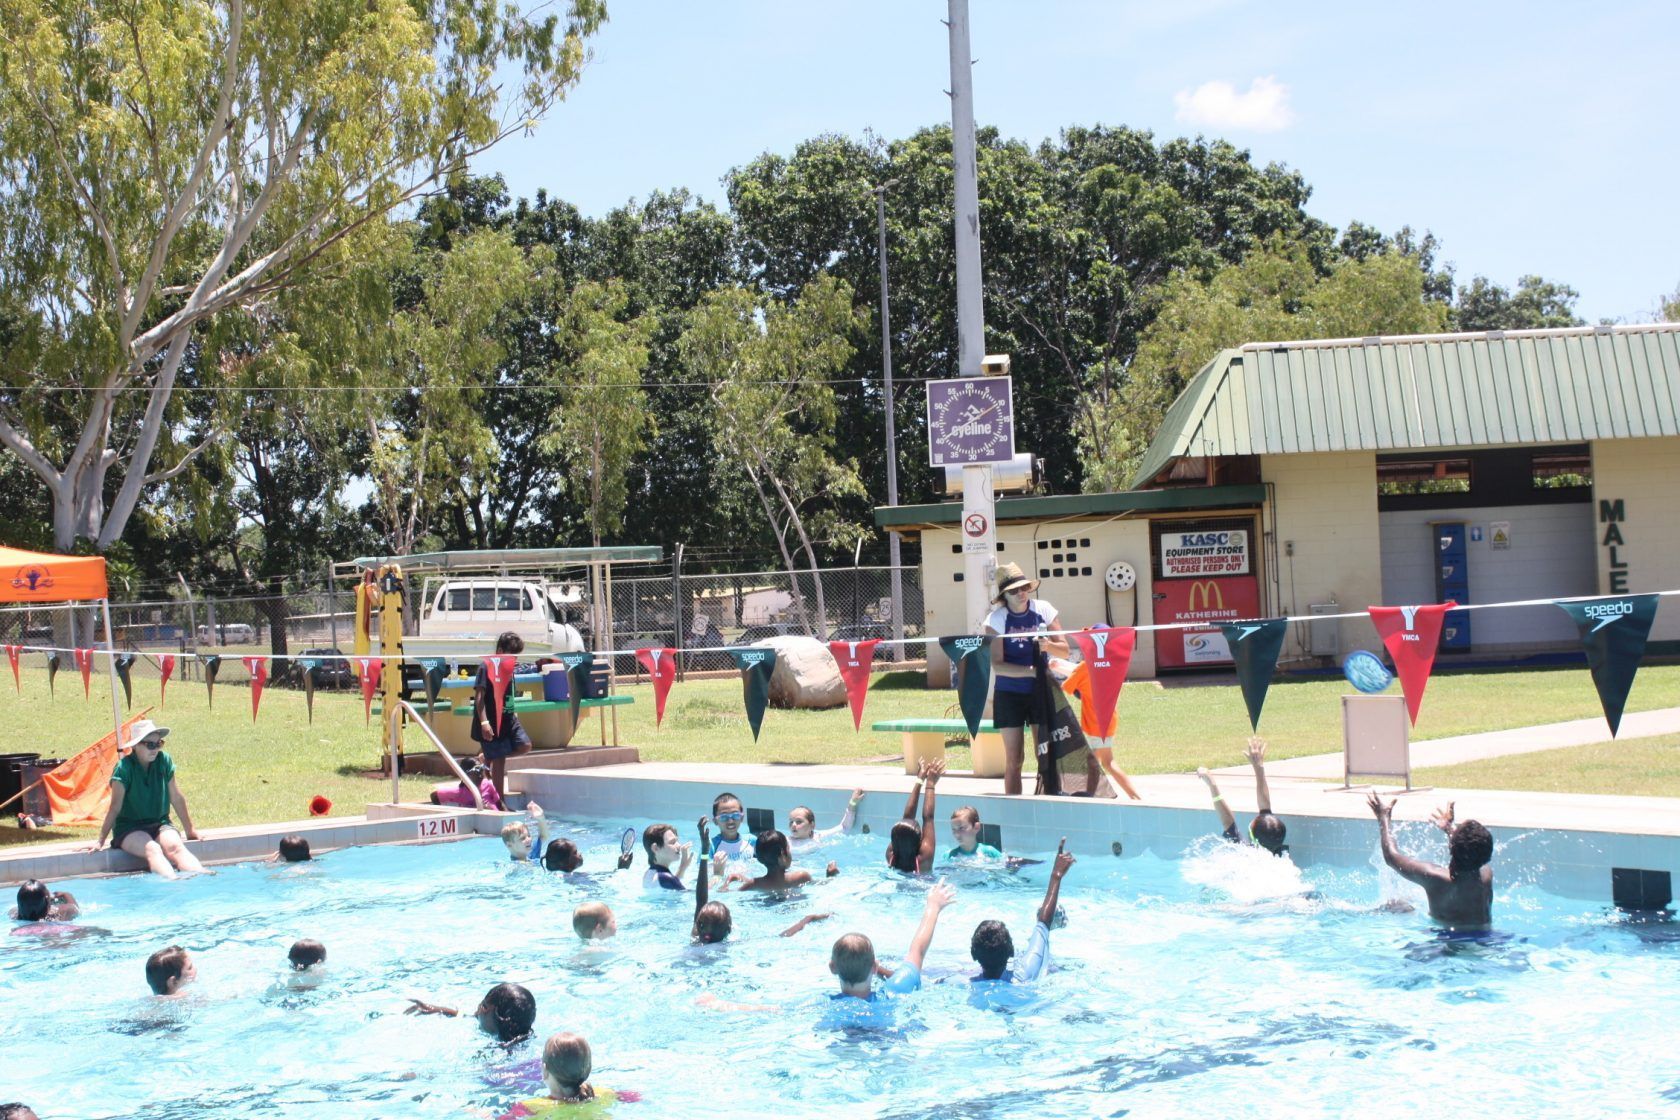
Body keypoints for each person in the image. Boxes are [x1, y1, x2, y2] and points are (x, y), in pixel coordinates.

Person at [981, 562, 1069, 796]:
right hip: (1009, 694)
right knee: (1015, 759)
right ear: (1004, 596)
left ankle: (1048, 803)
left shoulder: (1045, 609)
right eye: (1013, 591)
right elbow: (997, 665)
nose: (1021, 593)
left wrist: (1048, 645)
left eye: (1024, 587)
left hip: (1041, 692)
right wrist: (1031, 672)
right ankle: (1014, 810)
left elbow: (1064, 650)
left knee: (1045, 754)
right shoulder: (996, 620)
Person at [91, 719, 205, 878]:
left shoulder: (164, 761)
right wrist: (101, 839)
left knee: (176, 847)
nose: (155, 749)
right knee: (153, 849)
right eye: (150, 745)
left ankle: (203, 877)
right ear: (136, 746)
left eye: (159, 743)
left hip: (160, 824)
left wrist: (190, 830)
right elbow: (115, 807)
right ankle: (172, 881)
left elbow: (176, 797)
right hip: (129, 828)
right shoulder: (123, 769)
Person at [826, 882, 957, 1020]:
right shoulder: (897, 989)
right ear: (875, 967)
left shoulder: (826, 1006)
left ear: (832, 967)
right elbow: (917, 950)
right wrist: (933, 906)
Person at [1368, 794, 1494, 930]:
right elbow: (1470, 850)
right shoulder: (1486, 874)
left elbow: (1391, 857)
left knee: (1395, 905)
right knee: (1404, 904)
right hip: (1486, 937)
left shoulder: (1436, 878)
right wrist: (1449, 828)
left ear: (1451, 847)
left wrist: (1384, 818)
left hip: (1449, 943)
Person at [970, 840, 1074, 986]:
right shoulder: (1026, 972)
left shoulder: (962, 982)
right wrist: (1056, 874)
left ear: (973, 954)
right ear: (1011, 953)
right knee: (1046, 962)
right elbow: (1044, 922)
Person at [1060, 641, 1143, 800]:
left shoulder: (1084, 667)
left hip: (1095, 725)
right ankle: (1091, 795)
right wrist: (1062, 667)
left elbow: (1066, 687)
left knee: (1107, 762)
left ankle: (1135, 797)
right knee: (1093, 762)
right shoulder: (1110, 666)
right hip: (1108, 721)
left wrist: (1056, 668)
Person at [499, 1032, 640, 1117]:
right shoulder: (604, 1094)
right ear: (588, 1068)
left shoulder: (531, 1107)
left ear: (544, 1070)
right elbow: (634, 1096)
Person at [1195, 737, 1288, 856]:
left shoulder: (1245, 854)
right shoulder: (1280, 854)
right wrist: (1258, 767)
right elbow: (1265, 808)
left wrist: (1212, 784)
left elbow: (1227, 821)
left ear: (1252, 836)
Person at [474, 632, 533, 801]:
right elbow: (479, 698)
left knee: (525, 745)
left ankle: (487, 757)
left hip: (508, 718)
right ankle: (499, 801)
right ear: (500, 650)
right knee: (500, 760)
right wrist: (484, 722)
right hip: (491, 719)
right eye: (511, 654)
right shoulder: (486, 667)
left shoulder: (509, 668)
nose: (514, 659)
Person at [406, 982, 537, 1045]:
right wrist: (438, 1009)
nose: (476, 1012)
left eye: (482, 1006)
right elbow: (472, 1016)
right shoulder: (522, 1034)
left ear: (488, 1010)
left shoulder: (495, 1051)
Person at [723, 829, 836, 893]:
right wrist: (831, 876)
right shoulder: (801, 877)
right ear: (783, 855)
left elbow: (731, 893)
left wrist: (729, 881)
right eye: (788, 848)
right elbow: (820, 885)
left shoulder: (754, 884)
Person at [886, 759, 943, 874]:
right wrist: (930, 784)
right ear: (919, 840)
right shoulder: (924, 859)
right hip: (922, 888)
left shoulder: (890, 855)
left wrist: (920, 779)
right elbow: (928, 818)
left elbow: (907, 818)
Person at [692, 818, 732, 944]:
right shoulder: (732, 945)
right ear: (729, 929)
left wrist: (704, 852)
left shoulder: (696, 938)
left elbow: (701, 899)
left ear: (698, 926)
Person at [787, 790, 864, 850]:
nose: (793, 825)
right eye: (791, 822)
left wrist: (853, 803)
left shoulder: (819, 837)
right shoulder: (785, 842)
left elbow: (844, 827)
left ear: (812, 825)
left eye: (799, 822)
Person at [432, 761, 505, 810]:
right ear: (466, 775)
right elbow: (434, 796)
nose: (480, 775)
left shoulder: (487, 784)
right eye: (476, 772)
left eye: (481, 770)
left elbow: (500, 804)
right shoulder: (459, 792)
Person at [641, 822, 694, 891]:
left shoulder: (649, 874)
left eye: (677, 841)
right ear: (655, 848)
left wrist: (682, 867)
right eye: (672, 842)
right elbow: (701, 897)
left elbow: (671, 885)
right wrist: (705, 854)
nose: (679, 846)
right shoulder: (665, 878)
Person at [708, 792, 755, 867]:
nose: (730, 821)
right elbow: (701, 873)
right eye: (724, 817)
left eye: (735, 815)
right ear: (715, 821)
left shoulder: (752, 841)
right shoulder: (711, 846)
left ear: (742, 818)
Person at [543, 838, 634, 876]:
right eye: (575, 852)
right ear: (565, 863)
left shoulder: (556, 875)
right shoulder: (575, 878)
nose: (580, 853)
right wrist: (622, 869)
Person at [12, 879, 79, 923]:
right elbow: (75, 908)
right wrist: (66, 894)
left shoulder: (13, 913)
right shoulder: (58, 913)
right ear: (47, 902)